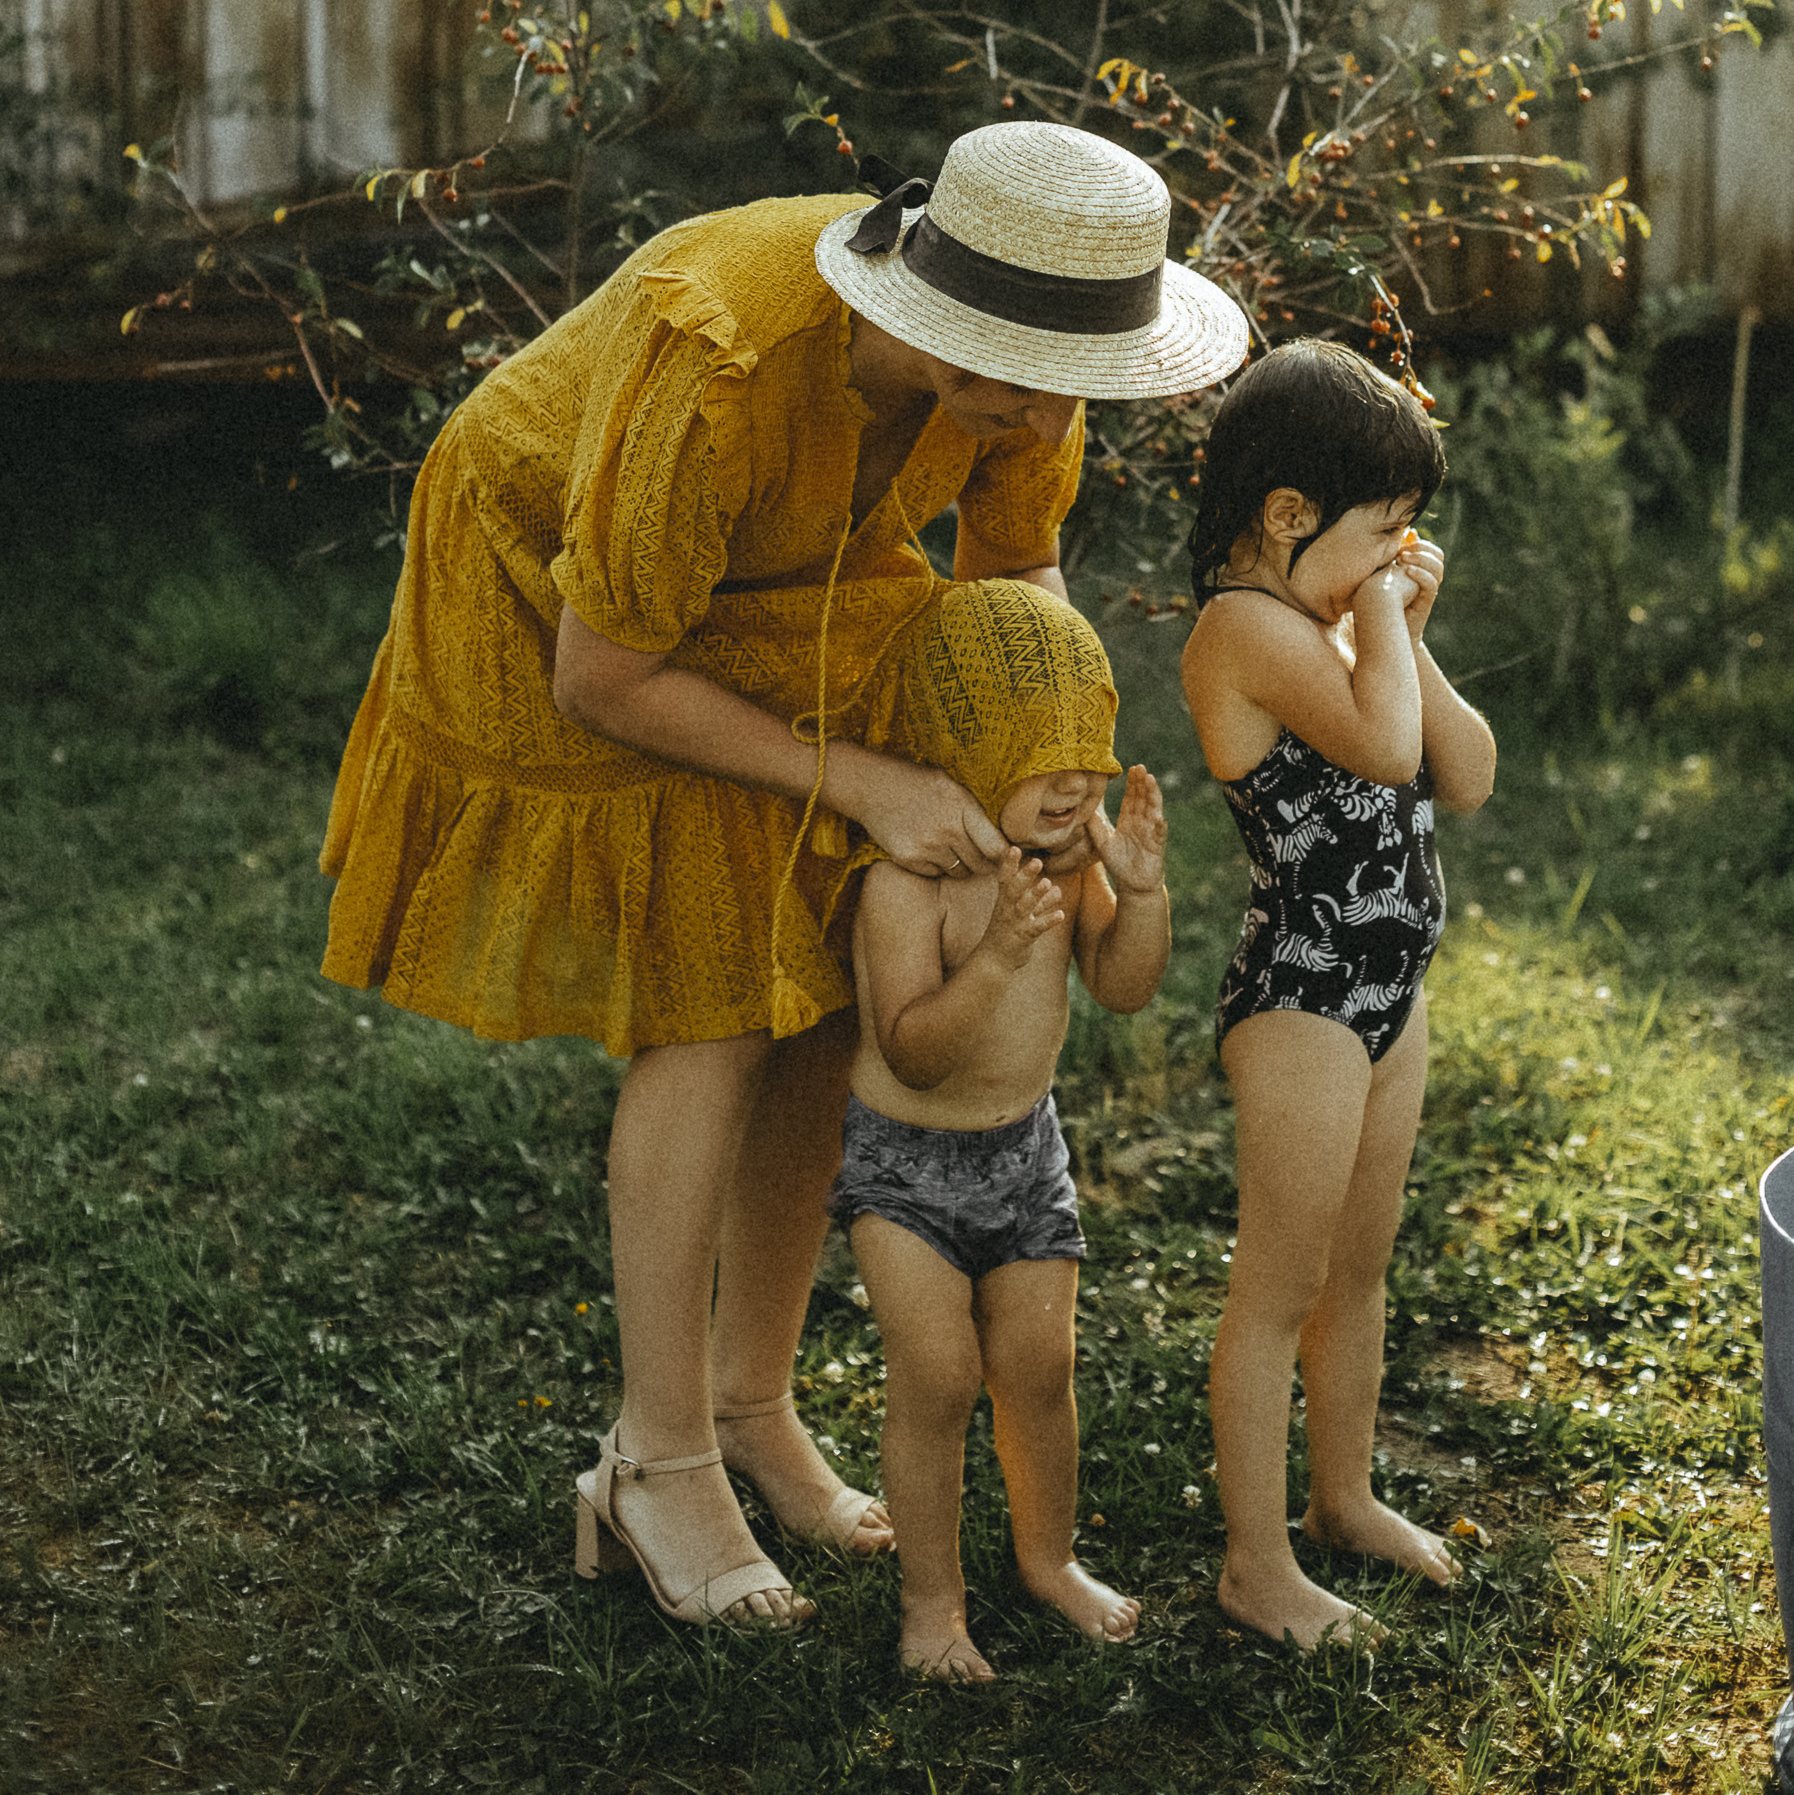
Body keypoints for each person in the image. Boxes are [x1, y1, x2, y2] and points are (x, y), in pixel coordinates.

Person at [319, 120, 1245, 1631]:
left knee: (824, 988)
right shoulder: (730, 358)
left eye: (1053, 382)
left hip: (797, 575)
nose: (1023, 413)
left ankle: (752, 1406)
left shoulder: (1036, 370)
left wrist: (1042, 754)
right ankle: (654, 1460)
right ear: (926, 303)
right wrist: (872, 779)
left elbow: (1013, 581)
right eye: (995, 368)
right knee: (711, 998)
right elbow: (605, 674)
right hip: (562, 585)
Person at [1177, 339, 1496, 1654]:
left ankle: (1344, 1496)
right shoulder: (1241, 632)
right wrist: (1379, 630)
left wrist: (1403, 630)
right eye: (1384, 533)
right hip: (1304, 992)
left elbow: (1459, 773)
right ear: (1288, 516)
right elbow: (1378, 746)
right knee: (1280, 1282)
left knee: (1356, 1272)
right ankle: (1256, 1567)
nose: (1396, 558)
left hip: (1389, 989)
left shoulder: (1342, 627)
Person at [830, 579, 1169, 1680]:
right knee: (935, 1376)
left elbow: (1121, 988)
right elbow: (914, 1045)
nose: (1078, 781)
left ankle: (1047, 1559)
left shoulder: (1069, 868)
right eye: (1043, 753)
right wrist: (1000, 959)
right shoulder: (908, 884)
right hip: (906, 1169)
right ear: (961, 751)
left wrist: (1143, 895)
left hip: (1024, 1156)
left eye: (1090, 754)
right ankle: (931, 1606)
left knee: (1035, 1366)